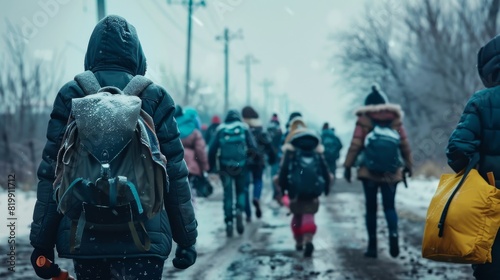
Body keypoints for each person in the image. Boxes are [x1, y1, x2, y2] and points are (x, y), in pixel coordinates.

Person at [29, 15, 197, 280]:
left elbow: (52, 170)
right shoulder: (154, 97)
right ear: (138, 56)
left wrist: (42, 241)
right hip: (144, 237)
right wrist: (186, 238)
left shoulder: (72, 95)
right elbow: (174, 173)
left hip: (85, 234)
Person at [446, 34, 500, 280]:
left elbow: (458, 149)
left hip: (490, 200)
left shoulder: (481, 100)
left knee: (490, 264)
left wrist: (474, 173)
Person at [343, 84, 412, 259]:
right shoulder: (394, 118)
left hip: (369, 172)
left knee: (371, 209)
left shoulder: (364, 119)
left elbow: (356, 144)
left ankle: (372, 246)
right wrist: (409, 165)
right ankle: (393, 234)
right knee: (390, 207)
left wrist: (348, 165)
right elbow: (404, 143)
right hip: (392, 171)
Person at [278, 116, 330, 257]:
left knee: (296, 215)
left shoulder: (291, 149)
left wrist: (283, 188)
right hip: (313, 189)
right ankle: (308, 239)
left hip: (295, 189)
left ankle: (299, 241)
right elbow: (324, 169)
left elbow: (283, 170)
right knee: (309, 214)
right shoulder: (315, 148)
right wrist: (326, 187)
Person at [208, 110, 257, 237]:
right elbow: (253, 147)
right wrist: (249, 160)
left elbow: (211, 150)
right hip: (241, 166)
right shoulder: (244, 128)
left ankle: (229, 222)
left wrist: (212, 168)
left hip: (225, 167)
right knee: (241, 191)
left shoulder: (221, 129)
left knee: (228, 195)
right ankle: (239, 210)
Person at [241, 106, 277, 221]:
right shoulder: (260, 128)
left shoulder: (242, 127)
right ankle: (256, 197)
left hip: (245, 161)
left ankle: (247, 213)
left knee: (245, 186)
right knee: (258, 181)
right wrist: (272, 158)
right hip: (258, 160)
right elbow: (269, 144)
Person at [175, 105, 210, 197]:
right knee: (189, 192)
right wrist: (205, 167)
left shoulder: (173, 129)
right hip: (191, 167)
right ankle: (189, 210)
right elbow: (200, 151)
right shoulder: (195, 132)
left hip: (175, 165)